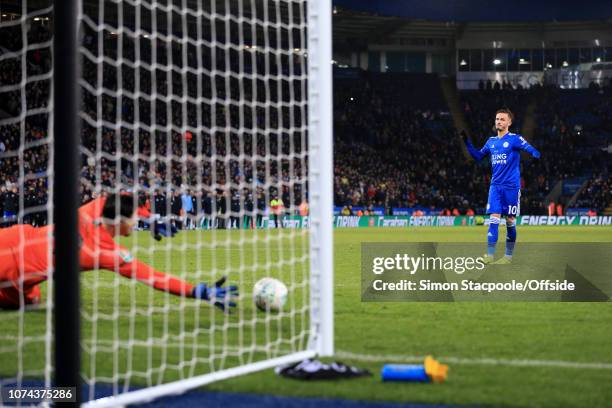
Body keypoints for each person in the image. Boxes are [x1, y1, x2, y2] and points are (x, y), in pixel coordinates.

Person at [0, 193, 238, 311]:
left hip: (14, 238)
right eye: (134, 220)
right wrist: (196, 291)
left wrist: (149, 217)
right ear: (120, 221)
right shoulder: (107, 253)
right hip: (16, 275)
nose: (136, 223)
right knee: (30, 300)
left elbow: (121, 200)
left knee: (33, 297)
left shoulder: (93, 208)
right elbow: (154, 278)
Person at [462, 108, 540, 264]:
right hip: (495, 187)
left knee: (510, 221)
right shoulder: (491, 142)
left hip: (511, 187)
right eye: (497, 119)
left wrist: (535, 155)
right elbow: (478, 156)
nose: (499, 121)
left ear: (509, 122)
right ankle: (490, 256)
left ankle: (508, 257)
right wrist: (467, 142)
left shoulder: (515, 139)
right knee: (493, 219)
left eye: (502, 119)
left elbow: (530, 148)